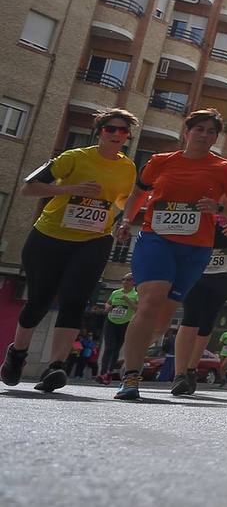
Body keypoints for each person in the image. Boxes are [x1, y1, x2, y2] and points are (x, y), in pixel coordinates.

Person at [1, 109, 139, 393]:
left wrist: (125, 221)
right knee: (38, 301)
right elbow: (29, 188)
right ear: (99, 131)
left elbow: (123, 201)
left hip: (94, 240)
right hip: (50, 236)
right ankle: (17, 354)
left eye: (123, 131)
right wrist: (72, 189)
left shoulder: (128, 167)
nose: (116, 134)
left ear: (128, 137)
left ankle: (56, 366)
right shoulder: (74, 157)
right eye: (110, 129)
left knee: (75, 301)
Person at [114, 108, 227, 401]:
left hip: (196, 247)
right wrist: (126, 220)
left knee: (161, 321)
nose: (204, 135)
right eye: (199, 129)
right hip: (155, 239)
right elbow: (139, 194)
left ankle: (142, 347)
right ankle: (131, 375)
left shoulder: (224, 168)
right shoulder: (160, 162)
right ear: (186, 132)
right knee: (151, 300)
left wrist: (219, 208)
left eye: (211, 131)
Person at [171, 161, 227, 395]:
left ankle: (191, 369)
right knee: (190, 314)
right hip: (196, 263)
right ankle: (179, 373)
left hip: (225, 267)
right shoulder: (204, 202)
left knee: (208, 318)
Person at [99, 273, 138, 383]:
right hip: (111, 321)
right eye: (123, 279)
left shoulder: (135, 295)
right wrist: (107, 307)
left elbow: (137, 309)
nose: (125, 282)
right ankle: (102, 373)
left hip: (125, 323)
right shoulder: (115, 292)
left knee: (116, 348)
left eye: (128, 280)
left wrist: (128, 300)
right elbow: (108, 303)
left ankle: (109, 372)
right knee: (108, 347)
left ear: (133, 282)